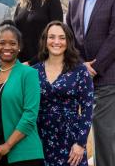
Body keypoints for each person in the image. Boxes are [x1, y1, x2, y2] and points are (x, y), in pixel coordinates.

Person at [66, 0, 115, 166]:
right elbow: (69, 39)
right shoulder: (74, 3)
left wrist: (95, 67)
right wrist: (80, 65)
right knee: (78, 131)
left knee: (104, 134)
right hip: (80, 77)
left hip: (107, 78)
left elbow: (114, 35)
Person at [0, 20, 44, 165]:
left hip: (25, 155)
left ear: (19, 47)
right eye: (2, 43)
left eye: (12, 43)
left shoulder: (29, 74)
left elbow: (30, 116)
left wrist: (7, 146)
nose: (7, 47)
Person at [34, 21, 93, 166]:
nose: (56, 42)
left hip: (71, 141)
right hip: (40, 139)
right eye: (51, 37)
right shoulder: (33, 71)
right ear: (45, 40)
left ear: (68, 41)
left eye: (61, 37)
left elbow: (87, 110)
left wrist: (80, 143)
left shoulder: (80, 71)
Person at [13, 0, 63, 65]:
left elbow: (56, 40)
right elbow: (15, 37)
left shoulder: (53, 2)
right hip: (19, 67)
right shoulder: (21, 4)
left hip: (44, 66)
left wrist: (31, 63)